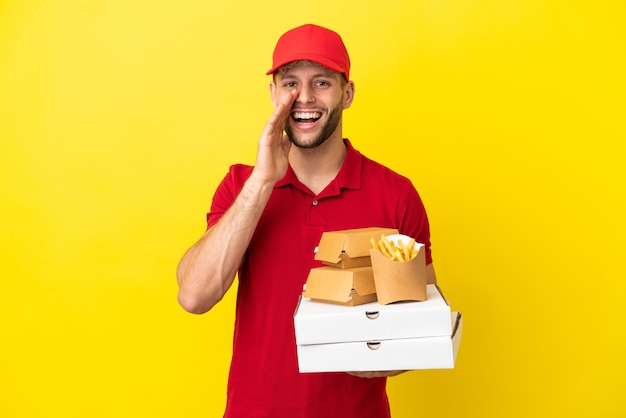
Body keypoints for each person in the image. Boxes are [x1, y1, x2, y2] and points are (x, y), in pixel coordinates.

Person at [177, 23, 437, 418]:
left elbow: (420, 322)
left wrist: (390, 357)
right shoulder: (241, 186)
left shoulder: (396, 195)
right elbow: (194, 296)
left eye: (321, 83)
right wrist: (263, 181)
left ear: (347, 94)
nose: (304, 98)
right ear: (273, 93)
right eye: (289, 83)